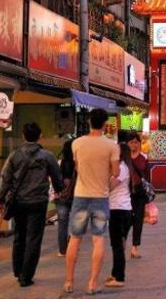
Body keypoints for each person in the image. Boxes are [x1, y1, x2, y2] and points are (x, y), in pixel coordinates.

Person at [0, 123, 64, 287]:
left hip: (19, 202)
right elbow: (57, 179)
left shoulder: (14, 155)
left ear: (23, 136)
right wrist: (60, 190)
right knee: (34, 239)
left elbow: (5, 179)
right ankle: (26, 276)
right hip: (38, 203)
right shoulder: (47, 156)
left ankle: (18, 270)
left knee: (20, 236)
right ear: (40, 136)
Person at [64, 108, 120, 295]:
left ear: (89, 122)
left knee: (75, 239)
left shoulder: (77, 143)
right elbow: (116, 173)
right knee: (98, 240)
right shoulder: (111, 146)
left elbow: (77, 167)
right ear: (105, 124)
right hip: (101, 199)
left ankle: (69, 282)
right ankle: (92, 284)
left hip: (80, 196)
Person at [105, 144, 133, 288]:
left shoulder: (121, 168)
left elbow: (110, 185)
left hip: (118, 209)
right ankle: (115, 273)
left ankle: (119, 277)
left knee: (117, 245)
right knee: (118, 245)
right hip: (123, 209)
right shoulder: (123, 167)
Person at [128, 132, 148, 259]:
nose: (134, 145)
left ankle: (135, 247)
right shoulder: (122, 157)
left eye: (136, 142)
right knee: (126, 220)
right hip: (125, 193)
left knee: (138, 221)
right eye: (131, 142)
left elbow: (147, 177)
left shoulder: (144, 157)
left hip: (139, 192)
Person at [56, 138, 76, 257]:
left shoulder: (59, 163)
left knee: (62, 223)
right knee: (74, 224)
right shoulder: (78, 163)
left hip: (62, 196)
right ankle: (72, 247)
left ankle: (62, 250)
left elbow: (54, 179)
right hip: (76, 195)